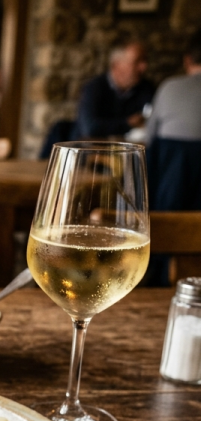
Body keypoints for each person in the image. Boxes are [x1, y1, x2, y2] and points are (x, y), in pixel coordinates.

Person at [143, 30, 201, 286]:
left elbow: (148, 138)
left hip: (169, 196)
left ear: (188, 60)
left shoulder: (169, 87)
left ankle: (158, 269)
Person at [73, 39, 154, 139]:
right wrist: (128, 123)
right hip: (91, 150)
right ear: (117, 65)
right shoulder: (94, 88)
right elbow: (90, 128)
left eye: (145, 61)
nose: (144, 67)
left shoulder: (147, 88)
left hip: (130, 151)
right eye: (137, 62)